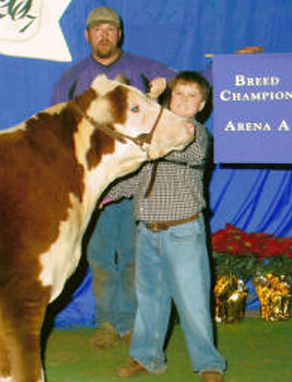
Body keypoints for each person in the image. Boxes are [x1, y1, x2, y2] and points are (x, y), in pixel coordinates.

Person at [51, 6, 174, 349]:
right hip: (96, 189)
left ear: (119, 34)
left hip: (138, 184)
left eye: (110, 29)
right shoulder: (72, 78)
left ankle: (133, 322)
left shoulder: (146, 70)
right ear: (88, 35)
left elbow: (189, 88)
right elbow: (59, 132)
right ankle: (106, 323)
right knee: (102, 259)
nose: (104, 35)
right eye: (97, 30)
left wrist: (228, 66)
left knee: (137, 258)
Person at [108, 71, 226, 382]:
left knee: (193, 301)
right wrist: (103, 195)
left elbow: (178, 147)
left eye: (191, 96)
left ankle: (208, 363)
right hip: (148, 229)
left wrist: (152, 100)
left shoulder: (195, 133)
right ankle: (146, 357)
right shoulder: (156, 134)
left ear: (201, 105)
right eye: (179, 95)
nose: (184, 101)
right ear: (172, 99)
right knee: (149, 300)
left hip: (183, 231)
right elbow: (135, 178)